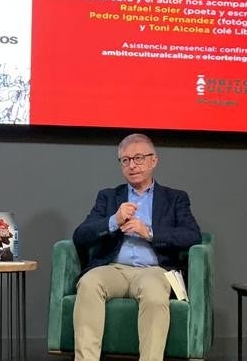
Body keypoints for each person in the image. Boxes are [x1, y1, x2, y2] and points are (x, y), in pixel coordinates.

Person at [71, 134, 202, 361]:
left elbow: (192, 236)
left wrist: (148, 233)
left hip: (154, 270)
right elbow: (80, 235)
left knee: (153, 292)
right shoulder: (109, 197)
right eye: (125, 160)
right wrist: (114, 220)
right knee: (89, 283)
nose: (132, 165)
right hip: (114, 269)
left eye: (138, 158)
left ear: (153, 161)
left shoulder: (175, 198)